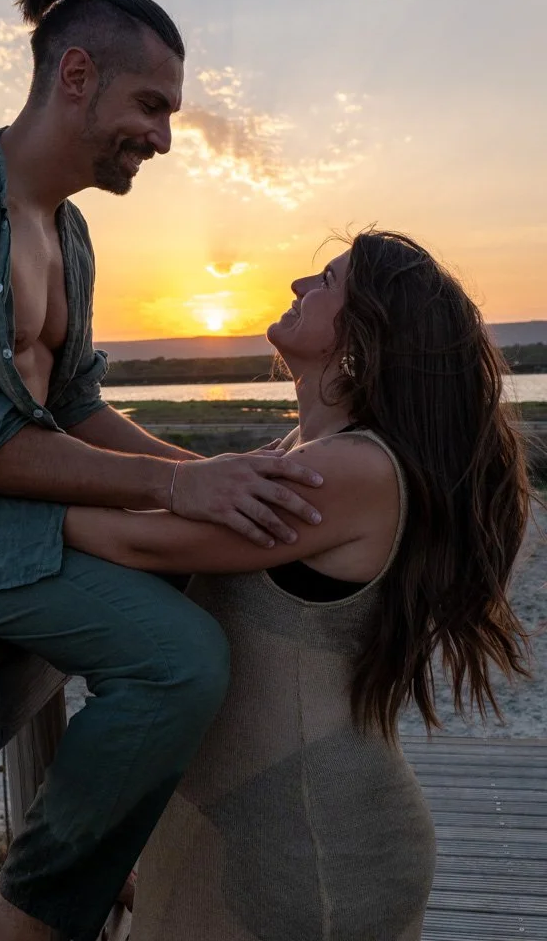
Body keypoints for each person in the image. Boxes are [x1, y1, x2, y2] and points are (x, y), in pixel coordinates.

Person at [0, 0, 327, 941]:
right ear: (77, 74)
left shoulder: (69, 231)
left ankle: (155, 852)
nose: (165, 138)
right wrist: (172, 492)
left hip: (16, 512)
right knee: (177, 658)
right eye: (153, 107)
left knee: (216, 568)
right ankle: (19, 918)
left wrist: (220, 474)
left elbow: (80, 404)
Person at [63, 231, 532, 941]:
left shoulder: (350, 470)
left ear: (362, 331)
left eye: (325, 279)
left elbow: (134, 534)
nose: (296, 286)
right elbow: (167, 487)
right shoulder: (299, 456)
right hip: (247, 831)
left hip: (309, 844)